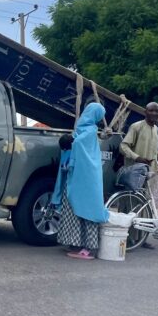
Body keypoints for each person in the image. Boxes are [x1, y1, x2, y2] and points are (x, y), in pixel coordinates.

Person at [55, 103, 110, 260]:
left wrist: (70, 140)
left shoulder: (89, 131)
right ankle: (75, 242)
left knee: (87, 210)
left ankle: (89, 248)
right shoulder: (84, 130)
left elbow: (77, 144)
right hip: (79, 178)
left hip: (84, 179)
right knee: (73, 209)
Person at [120, 102, 158, 248]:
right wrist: (136, 157)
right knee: (130, 205)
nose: (154, 114)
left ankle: (142, 238)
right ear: (145, 112)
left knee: (147, 205)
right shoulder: (136, 127)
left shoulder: (156, 129)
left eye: (157, 111)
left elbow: (153, 151)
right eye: (151, 111)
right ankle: (126, 237)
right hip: (134, 172)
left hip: (150, 173)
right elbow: (123, 146)